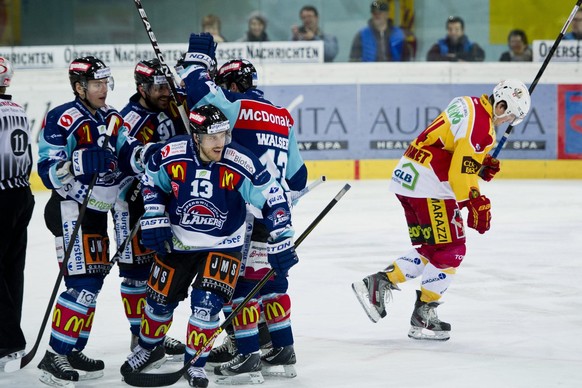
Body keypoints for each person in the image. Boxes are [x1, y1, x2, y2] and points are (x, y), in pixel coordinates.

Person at [119, 104, 298, 388]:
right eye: (212, 137)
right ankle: (148, 348)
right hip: (178, 241)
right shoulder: (172, 153)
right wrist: (153, 214)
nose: (220, 142)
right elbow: (152, 180)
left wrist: (281, 235)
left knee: (207, 307)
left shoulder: (239, 160)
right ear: (196, 137)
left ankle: (195, 363)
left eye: (224, 135)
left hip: (224, 244)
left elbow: (274, 196)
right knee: (157, 303)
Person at [351, 79, 531, 341]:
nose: (507, 122)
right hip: (429, 186)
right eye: (510, 116)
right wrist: (474, 202)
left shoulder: (468, 103)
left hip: (408, 177)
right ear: (501, 105)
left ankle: (379, 284)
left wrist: (478, 163)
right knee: (451, 249)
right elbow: (460, 174)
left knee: (431, 248)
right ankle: (423, 313)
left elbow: (453, 147)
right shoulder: (481, 127)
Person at [195, 58, 307, 384]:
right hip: (276, 214)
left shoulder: (235, 106)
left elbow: (201, 101)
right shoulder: (282, 116)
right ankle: (283, 351)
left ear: (230, 85)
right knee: (272, 283)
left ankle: (247, 356)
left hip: (245, 210)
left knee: (241, 284)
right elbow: (298, 177)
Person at [36, 56, 146, 387]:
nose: (103, 89)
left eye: (105, 83)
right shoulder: (62, 118)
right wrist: (76, 162)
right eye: (96, 84)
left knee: (92, 285)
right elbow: (46, 171)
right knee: (82, 287)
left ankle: (72, 349)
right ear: (79, 87)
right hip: (72, 210)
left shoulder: (113, 117)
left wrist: (153, 158)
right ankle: (54, 355)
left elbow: (130, 153)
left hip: (98, 213)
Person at [114, 58, 188, 358]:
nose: (164, 92)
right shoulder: (129, 120)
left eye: (165, 85)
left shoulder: (172, 104)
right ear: (141, 88)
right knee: (135, 274)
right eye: (157, 87)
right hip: (131, 206)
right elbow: (119, 166)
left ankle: (153, 333)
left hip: (166, 203)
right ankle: (138, 336)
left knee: (160, 272)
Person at [0, 57, 35, 365]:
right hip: (22, 195)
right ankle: (10, 341)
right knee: (12, 268)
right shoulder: (18, 110)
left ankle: (8, 339)